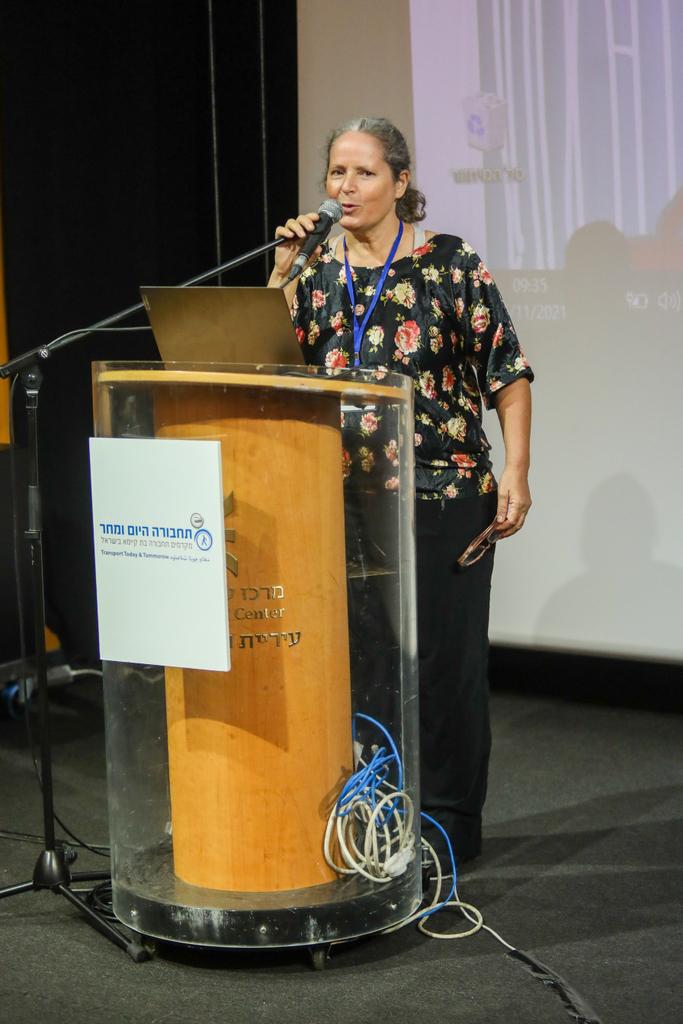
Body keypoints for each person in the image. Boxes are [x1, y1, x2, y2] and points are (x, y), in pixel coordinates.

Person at [268, 117, 533, 864]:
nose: (345, 187)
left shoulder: (448, 263)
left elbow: (508, 372)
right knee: (362, 663)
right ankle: (374, 809)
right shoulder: (313, 270)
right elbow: (263, 363)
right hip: (339, 498)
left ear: (400, 182)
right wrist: (282, 273)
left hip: (444, 491)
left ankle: (446, 826)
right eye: (336, 173)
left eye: (363, 173)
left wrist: (517, 470)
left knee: (445, 666)